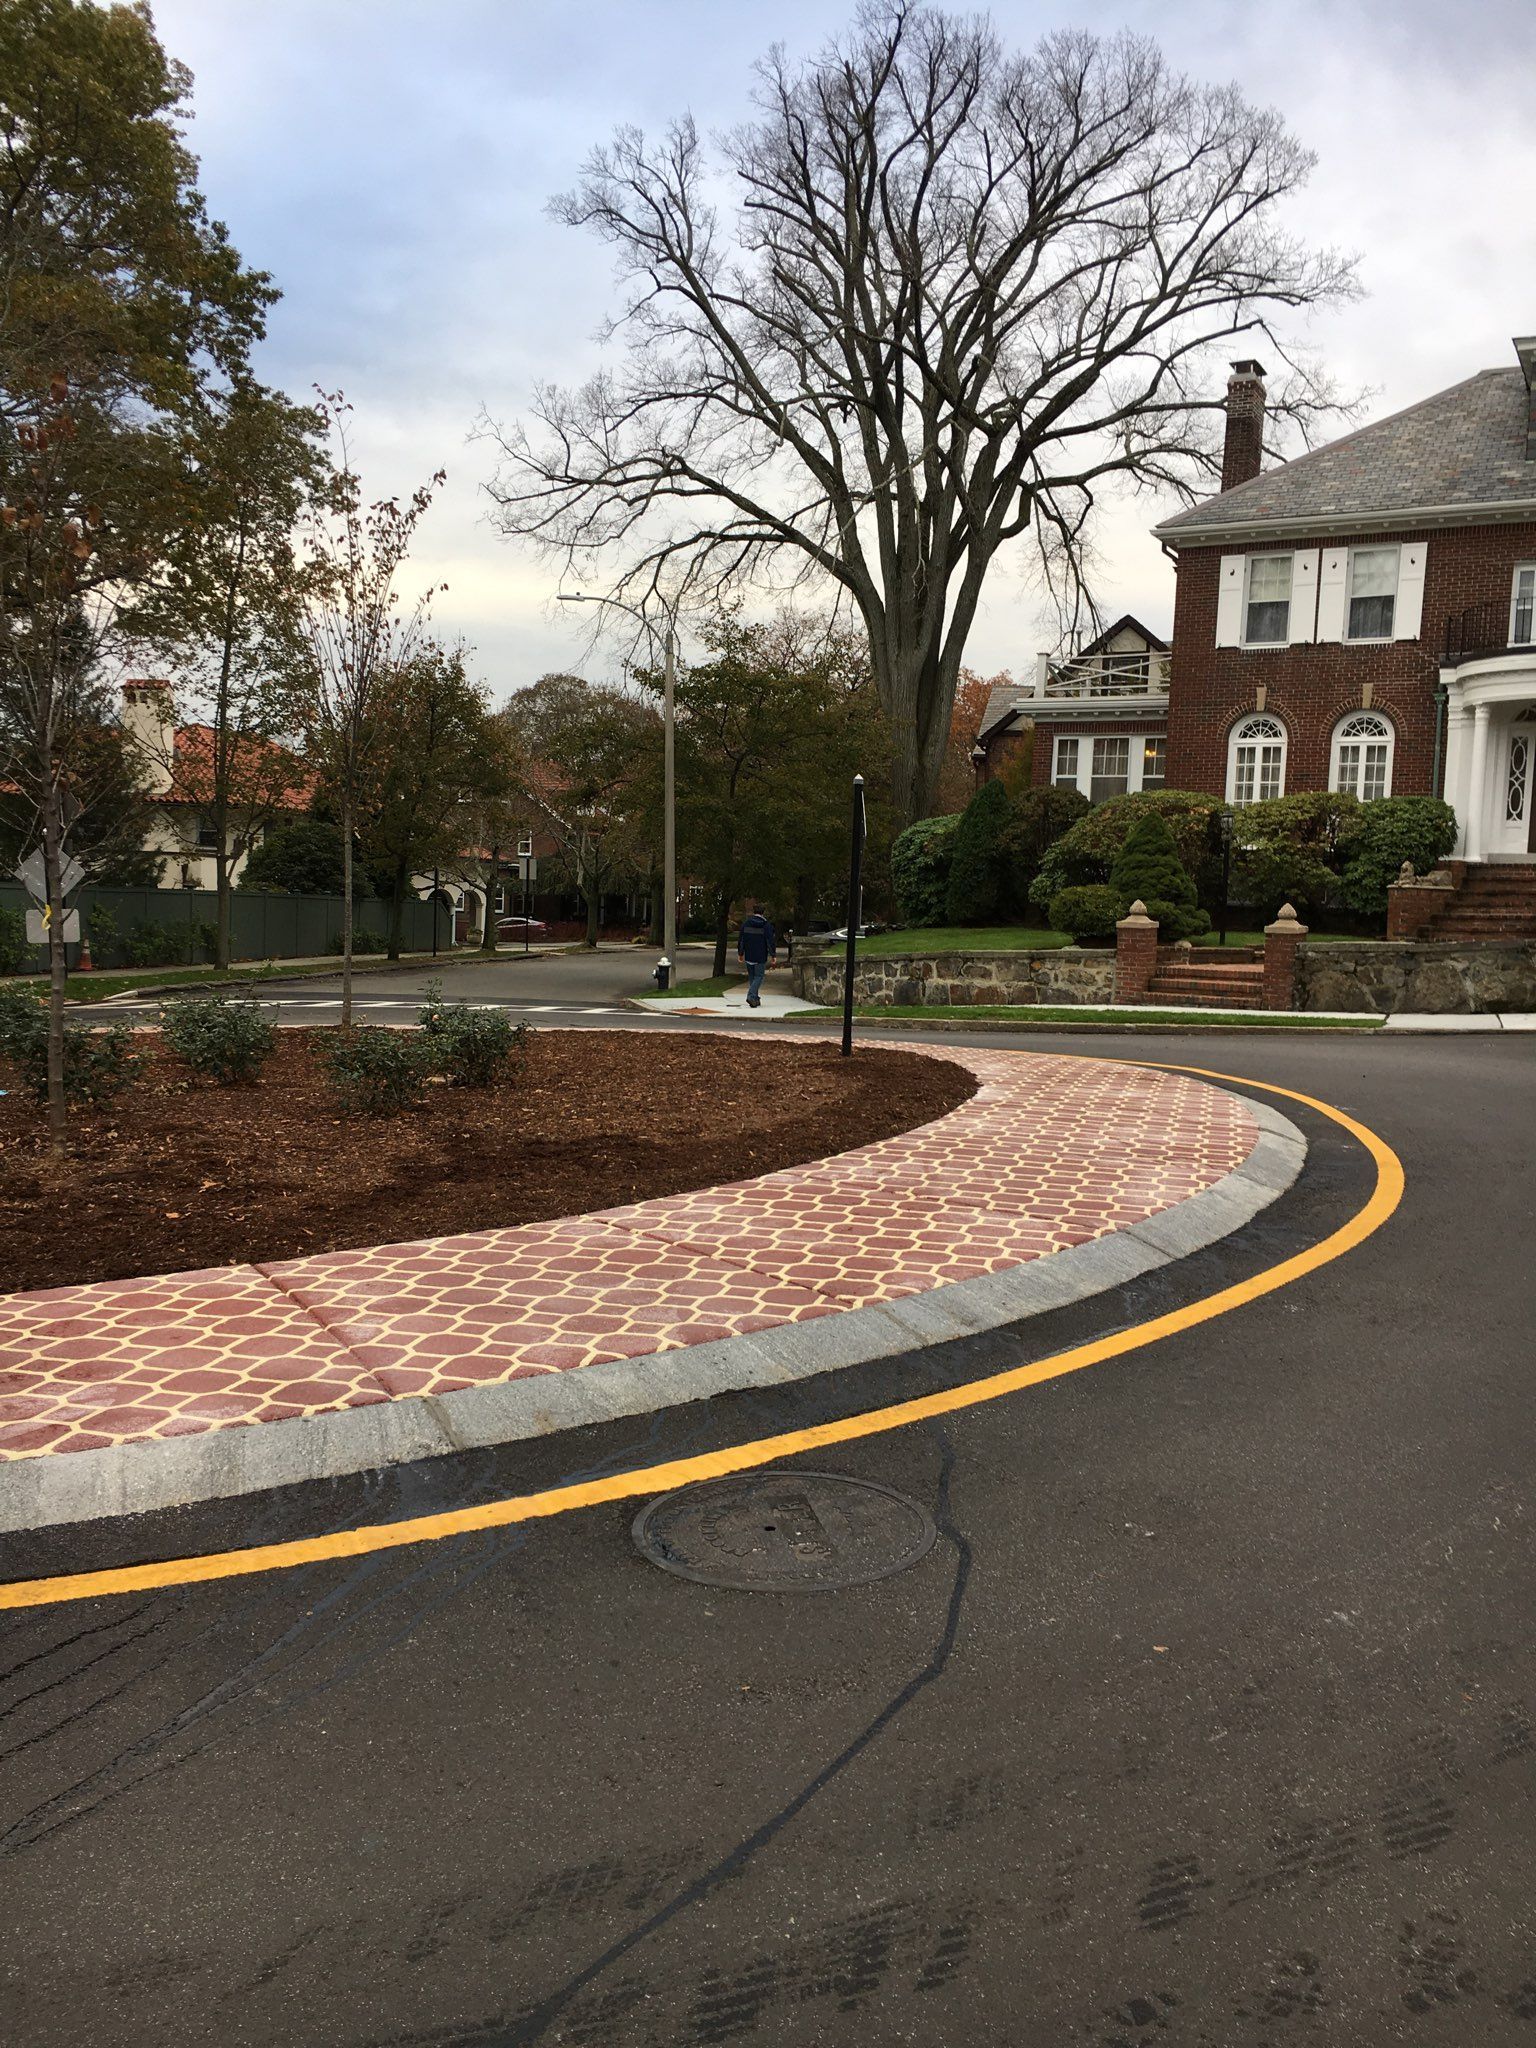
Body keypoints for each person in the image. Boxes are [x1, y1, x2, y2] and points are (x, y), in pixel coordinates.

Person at [736, 903, 777, 1008]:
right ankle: (751, 996)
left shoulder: (746, 924)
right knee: (759, 977)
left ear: (754, 912)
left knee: (752, 977)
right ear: (763, 912)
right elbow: (770, 941)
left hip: (749, 955)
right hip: (760, 955)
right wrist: (773, 955)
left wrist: (741, 953)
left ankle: (755, 999)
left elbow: (741, 940)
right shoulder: (766, 925)